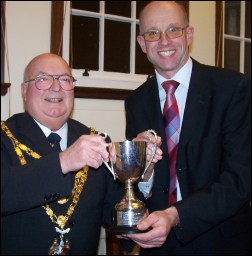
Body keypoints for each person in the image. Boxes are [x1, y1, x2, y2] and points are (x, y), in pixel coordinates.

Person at [121, 1, 251, 255]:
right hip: (160, 246)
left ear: (188, 34)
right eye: (152, 33)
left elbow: (240, 178)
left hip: (221, 242)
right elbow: (136, 184)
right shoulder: (135, 102)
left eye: (173, 29)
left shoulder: (232, 88)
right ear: (142, 43)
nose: (164, 41)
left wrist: (175, 215)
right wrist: (143, 171)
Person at [1, 53, 162, 255]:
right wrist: (64, 161)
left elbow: (118, 212)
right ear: (24, 90)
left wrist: (143, 168)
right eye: (43, 79)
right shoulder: (4, 136)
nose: (56, 87)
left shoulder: (96, 140)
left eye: (65, 79)